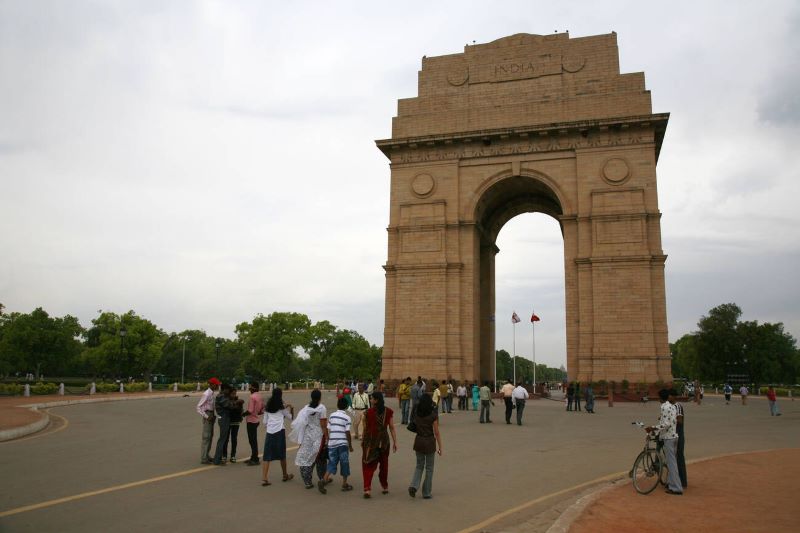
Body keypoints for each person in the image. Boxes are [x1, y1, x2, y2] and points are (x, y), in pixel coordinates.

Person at [644, 389, 682, 495]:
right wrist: (656, 432)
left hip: (669, 438)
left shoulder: (664, 407)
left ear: (660, 398)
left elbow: (665, 424)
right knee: (671, 463)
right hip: (674, 436)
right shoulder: (672, 406)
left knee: (672, 464)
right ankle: (671, 484)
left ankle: (677, 488)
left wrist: (652, 428)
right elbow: (669, 422)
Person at [360, 391, 397, 498]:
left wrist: (363, 440)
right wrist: (395, 442)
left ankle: (367, 489)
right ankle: (384, 487)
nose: (370, 400)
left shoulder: (368, 413)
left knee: (368, 464)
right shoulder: (388, 411)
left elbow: (365, 428)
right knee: (384, 465)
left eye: (371, 399)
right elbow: (392, 427)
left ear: (376, 400)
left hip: (371, 442)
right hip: (384, 442)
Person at [291, 389, 328, 489]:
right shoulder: (322, 408)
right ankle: (322, 478)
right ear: (320, 397)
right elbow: (323, 425)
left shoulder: (306, 408)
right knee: (320, 458)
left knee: (306, 457)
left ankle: (307, 481)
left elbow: (303, 422)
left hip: (307, 436)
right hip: (319, 435)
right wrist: (327, 437)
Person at [408, 393, 443, 499]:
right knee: (429, 468)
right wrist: (440, 446)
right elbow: (436, 432)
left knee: (419, 465)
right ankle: (426, 492)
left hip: (418, 440)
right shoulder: (433, 415)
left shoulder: (417, 414)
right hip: (429, 441)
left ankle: (414, 485)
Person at [318, 397, 354, 493]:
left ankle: (323, 480)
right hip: (342, 444)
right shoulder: (347, 418)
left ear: (337, 405)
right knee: (344, 463)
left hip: (332, 444)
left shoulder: (332, 416)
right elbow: (347, 432)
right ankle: (344, 484)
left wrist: (328, 441)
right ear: (346, 406)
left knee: (332, 463)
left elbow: (328, 428)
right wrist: (350, 445)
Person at [261, 388, 294, 485]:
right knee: (282, 455)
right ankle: (285, 475)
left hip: (270, 433)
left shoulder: (267, 407)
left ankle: (264, 478)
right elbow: (291, 418)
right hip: (280, 431)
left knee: (267, 456)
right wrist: (291, 408)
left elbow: (264, 422)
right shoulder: (282, 407)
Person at [213, 383, 238, 465]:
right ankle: (217, 460)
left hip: (224, 418)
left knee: (223, 439)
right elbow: (229, 405)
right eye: (228, 389)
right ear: (224, 389)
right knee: (222, 440)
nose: (229, 391)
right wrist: (236, 402)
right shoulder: (221, 396)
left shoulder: (223, 396)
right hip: (224, 418)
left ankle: (218, 458)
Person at [197, 377, 220, 464]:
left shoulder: (212, 393)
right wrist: (207, 416)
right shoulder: (206, 394)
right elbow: (198, 407)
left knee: (210, 436)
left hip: (211, 414)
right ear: (212, 384)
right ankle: (204, 458)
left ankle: (207, 455)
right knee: (206, 437)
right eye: (216, 385)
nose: (217, 386)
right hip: (208, 414)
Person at [668, 388, 687, 489]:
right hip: (671, 435)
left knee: (679, 458)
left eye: (669, 396)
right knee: (672, 459)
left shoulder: (677, 406)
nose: (668, 397)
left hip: (678, 435)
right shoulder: (669, 406)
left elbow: (680, 421)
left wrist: (670, 419)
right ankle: (673, 480)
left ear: (673, 396)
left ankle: (682, 482)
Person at [243, 381, 265, 466]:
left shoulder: (252, 397)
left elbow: (250, 410)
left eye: (250, 387)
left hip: (251, 421)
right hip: (256, 420)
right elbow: (262, 409)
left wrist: (242, 414)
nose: (249, 389)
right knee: (253, 440)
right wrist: (257, 413)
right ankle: (253, 457)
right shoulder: (259, 396)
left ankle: (255, 459)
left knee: (252, 440)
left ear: (254, 388)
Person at [225, 388, 245, 462]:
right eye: (232, 393)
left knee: (234, 439)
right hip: (228, 421)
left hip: (236, 421)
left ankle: (233, 455)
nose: (234, 395)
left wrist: (241, 415)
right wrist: (236, 403)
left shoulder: (239, 401)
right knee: (226, 439)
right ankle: (224, 455)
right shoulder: (227, 401)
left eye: (235, 393)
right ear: (229, 394)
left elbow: (241, 410)